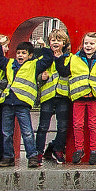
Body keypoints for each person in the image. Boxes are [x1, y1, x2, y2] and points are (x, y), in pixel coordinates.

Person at [65, 30, 96, 166]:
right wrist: (58, 58)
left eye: (92, 43)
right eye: (86, 43)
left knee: (93, 125)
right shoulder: (74, 58)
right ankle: (79, 150)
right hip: (79, 96)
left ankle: (93, 151)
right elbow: (64, 71)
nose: (88, 46)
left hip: (94, 97)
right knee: (77, 125)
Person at [0, 39, 41, 167]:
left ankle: (32, 156)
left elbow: (46, 60)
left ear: (30, 55)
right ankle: (8, 157)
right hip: (8, 102)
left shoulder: (34, 65)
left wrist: (44, 47)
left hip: (22, 103)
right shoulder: (10, 63)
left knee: (27, 131)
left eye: (23, 53)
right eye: (18, 53)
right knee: (6, 132)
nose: (20, 55)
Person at [34, 29, 74, 164]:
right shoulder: (44, 58)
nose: (55, 42)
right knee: (43, 126)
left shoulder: (70, 58)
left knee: (63, 126)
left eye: (59, 40)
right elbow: (35, 75)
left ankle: (57, 148)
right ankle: (38, 152)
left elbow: (69, 73)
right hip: (47, 96)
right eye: (52, 40)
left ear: (65, 43)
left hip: (63, 95)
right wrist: (41, 77)